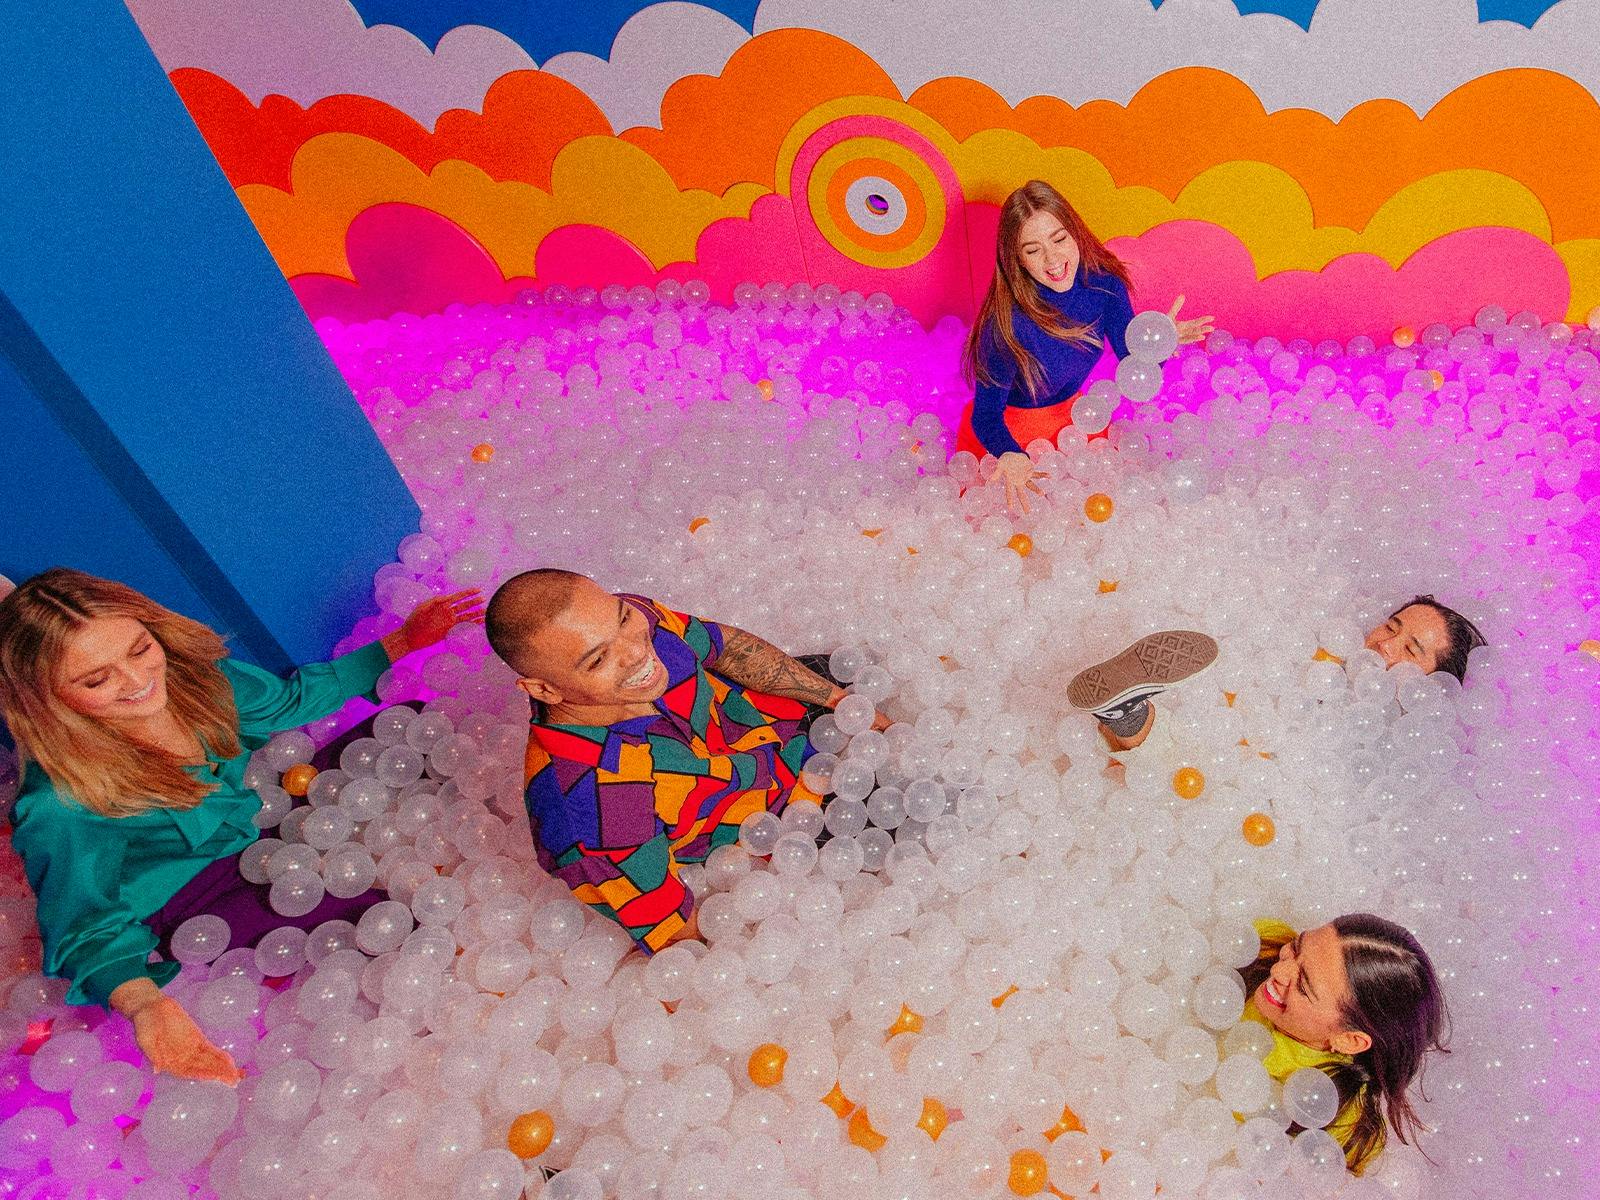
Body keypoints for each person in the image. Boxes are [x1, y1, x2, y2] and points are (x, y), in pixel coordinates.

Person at [0, 568, 483, 1083]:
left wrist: (401, 642)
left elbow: (291, 701)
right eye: (97, 679)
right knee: (393, 930)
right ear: (46, 697)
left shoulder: (195, 684)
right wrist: (147, 1006)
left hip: (262, 829)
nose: (137, 681)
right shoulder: (61, 803)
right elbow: (84, 931)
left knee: (412, 722)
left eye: (139, 649)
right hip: (192, 899)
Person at [485, 569, 874, 955]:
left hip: (772, 721)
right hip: (779, 823)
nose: (637, 651)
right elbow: (680, 939)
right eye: (599, 659)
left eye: (622, 618)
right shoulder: (592, 811)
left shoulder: (624, 619)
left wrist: (839, 702)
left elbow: (727, 648)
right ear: (544, 689)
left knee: (876, 670)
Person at [959, 179, 1213, 509]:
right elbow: (986, 416)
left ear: (1075, 232)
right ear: (1017, 260)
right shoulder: (1006, 325)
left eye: (1059, 238)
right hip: (1011, 433)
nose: (1052, 258)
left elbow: (1131, 363)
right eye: (1033, 250)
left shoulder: (1105, 287)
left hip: (1076, 420)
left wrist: (1158, 344)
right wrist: (1010, 454)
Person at [1070, 596, 1486, 752]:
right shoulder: (1320, 654)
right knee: (1194, 735)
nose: (1384, 644)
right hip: (1237, 729)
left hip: (1274, 785)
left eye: (1411, 649)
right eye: (1391, 626)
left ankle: (1126, 716)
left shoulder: (1395, 749)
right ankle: (1126, 713)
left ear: (1433, 688)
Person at [1241, 914, 1449, 1175]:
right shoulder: (1263, 943)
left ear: (1349, 1040)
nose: (1278, 970)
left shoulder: (1344, 1130)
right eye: (1296, 948)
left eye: (1303, 987)